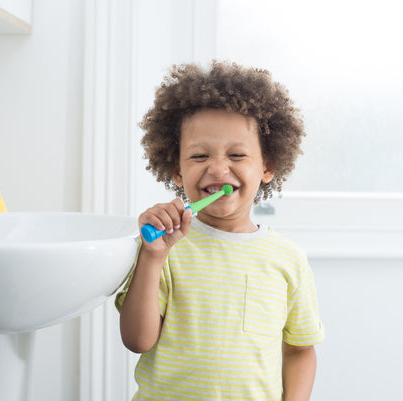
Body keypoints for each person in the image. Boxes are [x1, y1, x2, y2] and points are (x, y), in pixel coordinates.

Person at [116, 61, 324, 401]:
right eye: (199, 155)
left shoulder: (289, 260)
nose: (217, 168)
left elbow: (300, 349)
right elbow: (137, 341)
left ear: (268, 166)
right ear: (178, 171)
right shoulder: (165, 248)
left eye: (237, 154)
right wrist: (153, 257)